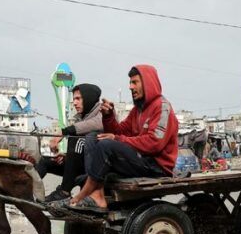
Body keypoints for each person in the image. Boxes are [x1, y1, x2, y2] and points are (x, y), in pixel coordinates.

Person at [66, 65, 178, 212]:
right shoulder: (137, 110)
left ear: (148, 83)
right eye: (130, 83)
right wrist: (108, 116)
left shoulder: (162, 108)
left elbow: (154, 143)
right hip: (139, 160)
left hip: (155, 166)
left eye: (135, 82)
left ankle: (86, 190)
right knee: (93, 137)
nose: (130, 87)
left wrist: (118, 139)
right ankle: (96, 192)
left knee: (106, 145)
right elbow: (119, 131)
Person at [37, 84, 103, 202]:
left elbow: (94, 124)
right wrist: (67, 157)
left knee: (75, 139)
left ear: (89, 98)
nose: (75, 103)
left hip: (95, 167)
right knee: (46, 162)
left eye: (78, 99)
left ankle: (64, 191)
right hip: (79, 165)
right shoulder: (81, 117)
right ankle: (27, 191)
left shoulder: (102, 113)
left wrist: (64, 132)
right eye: (73, 99)